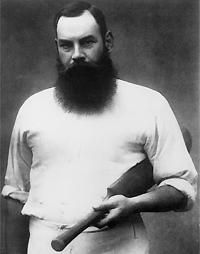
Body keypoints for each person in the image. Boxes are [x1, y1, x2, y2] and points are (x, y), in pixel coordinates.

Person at [1, 1, 197, 254]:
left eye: (87, 42)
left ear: (108, 42)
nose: (77, 54)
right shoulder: (32, 108)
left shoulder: (150, 104)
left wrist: (133, 203)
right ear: (57, 47)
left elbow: (181, 188)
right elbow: (13, 193)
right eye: (66, 45)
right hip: (44, 244)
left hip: (120, 245)